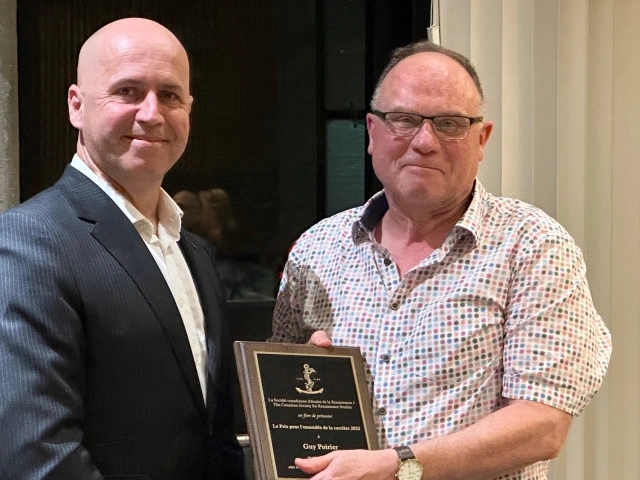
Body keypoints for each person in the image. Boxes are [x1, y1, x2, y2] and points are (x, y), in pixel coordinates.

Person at [270, 40, 611, 480]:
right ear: (373, 132)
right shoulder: (316, 250)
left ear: (481, 138)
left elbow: (541, 426)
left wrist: (400, 467)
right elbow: (278, 395)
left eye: (449, 123)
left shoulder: (533, 246)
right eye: (405, 120)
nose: (425, 141)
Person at [0, 18, 244, 479]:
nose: (152, 114)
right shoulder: (27, 244)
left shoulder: (192, 251)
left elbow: (214, 433)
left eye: (170, 95)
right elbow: (37, 457)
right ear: (76, 105)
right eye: (128, 91)